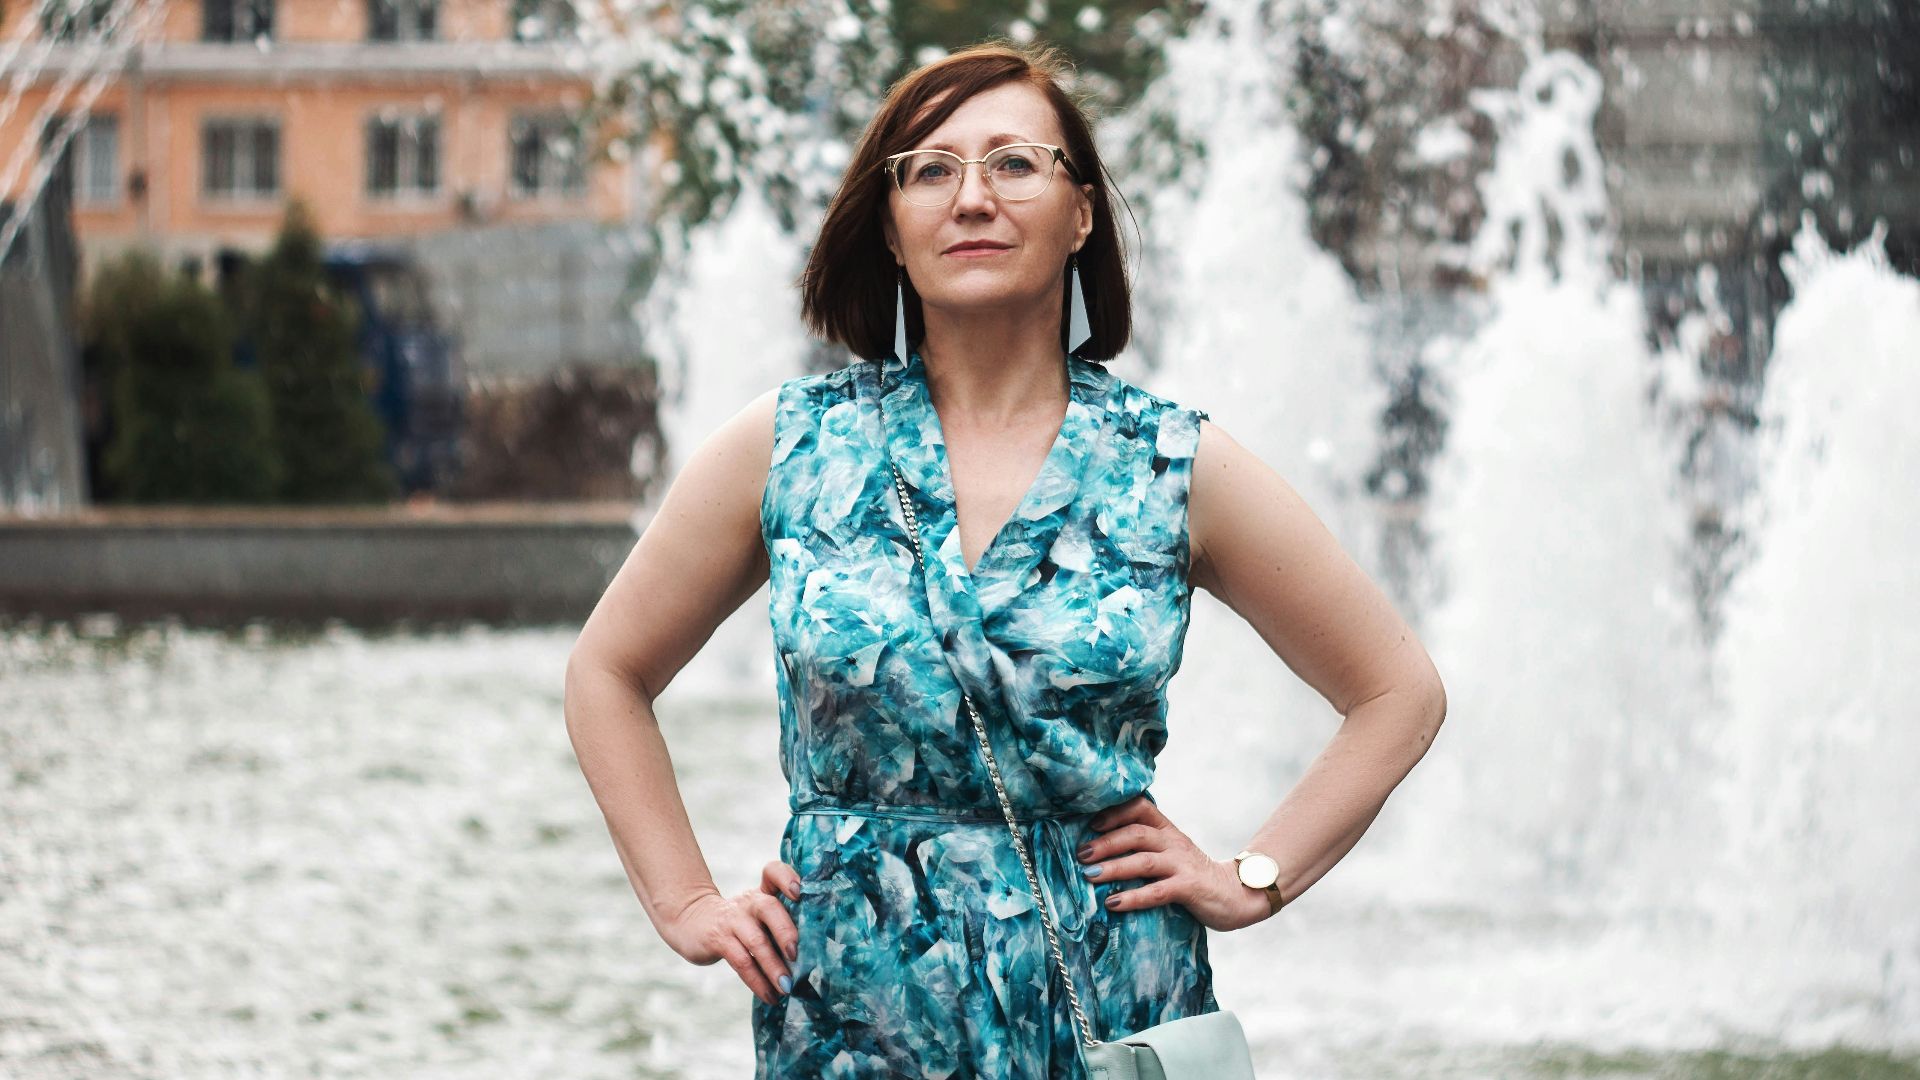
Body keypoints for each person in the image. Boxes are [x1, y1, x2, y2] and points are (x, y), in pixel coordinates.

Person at [564, 40, 1448, 1079]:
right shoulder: (792, 448)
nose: (970, 196)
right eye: (930, 170)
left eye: (1015, 162)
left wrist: (1251, 877)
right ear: (890, 228)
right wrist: (687, 902)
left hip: (1110, 1008)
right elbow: (606, 672)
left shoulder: (1170, 463)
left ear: (1081, 213)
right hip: (858, 1012)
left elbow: (1397, 690)